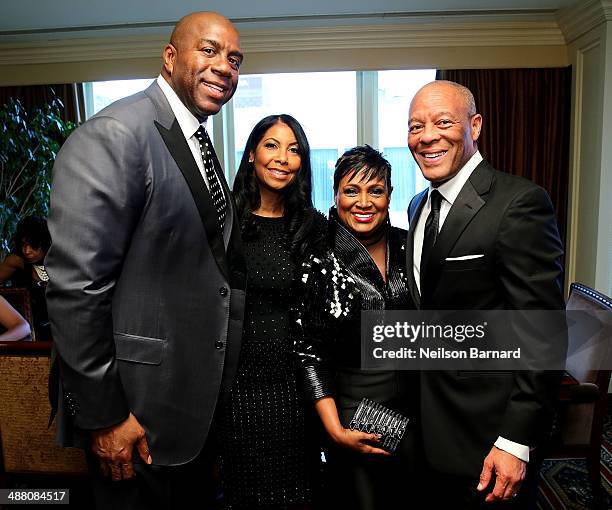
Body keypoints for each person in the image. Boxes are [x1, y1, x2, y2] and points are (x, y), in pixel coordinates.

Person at [45, 11, 246, 509]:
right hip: (134, 412)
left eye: (235, 59)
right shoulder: (118, 132)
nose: (224, 66)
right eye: (209, 50)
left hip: (185, 407)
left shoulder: (194, 138)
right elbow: (76, 287)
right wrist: (106, 417)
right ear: (170, 56)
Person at [405, 80, 564, 508]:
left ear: (475, 125)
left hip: (491, 442)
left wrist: (515, 441)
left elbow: (543, 335)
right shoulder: (418, 205)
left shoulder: (519, 203)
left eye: (443, 122)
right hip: (430, 434)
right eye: (415, 126)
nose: (427, 136)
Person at [294, 146, 418, 510]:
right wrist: (335, 430)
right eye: (352, 190)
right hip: (354, 409)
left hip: (416, 405)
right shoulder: (317, 255)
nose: (364, 202)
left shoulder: (408, 244)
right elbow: (308, 351)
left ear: (389, 196)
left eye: (375, 191)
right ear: (335, 195)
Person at [221, 114, 326, 509]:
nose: (283, 157)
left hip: (296, 390)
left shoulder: (313, 227)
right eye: (271, 145)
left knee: (301, 493)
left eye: (294, 149)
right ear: (251, 154)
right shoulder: (224, 225)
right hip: (238, 388)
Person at [0, 216, 51, 340]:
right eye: (24, 244)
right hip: (23, 330)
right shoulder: (16, 261)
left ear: (45, 243)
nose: (27, 251)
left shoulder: (62, 264)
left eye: (33, 245)